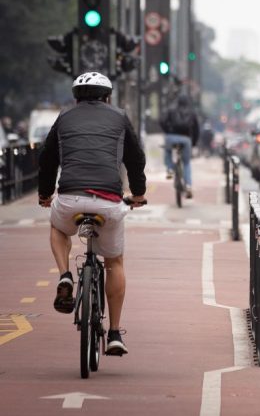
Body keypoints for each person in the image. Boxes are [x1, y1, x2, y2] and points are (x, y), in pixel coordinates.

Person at [37, 72, 146, 356]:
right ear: (108, 97)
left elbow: (47, 159)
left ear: (75, 98)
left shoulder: (64, 117)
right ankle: (114, 333)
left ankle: (65, 275)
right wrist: (138, 194)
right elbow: (135, 159)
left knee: (58, 228)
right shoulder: (120, 117)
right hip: (109, 201)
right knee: (114, 261)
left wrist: (45, 195)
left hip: (70, 197)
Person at [160, 94, 199, 198]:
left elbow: (162, 121)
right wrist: (194, 143)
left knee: (168, 151)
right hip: (186, 139)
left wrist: (167, 131)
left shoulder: (171, 109)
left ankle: (170, 169)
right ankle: (188, 185)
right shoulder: (192, 112)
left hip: (171, 137)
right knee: (186, 163)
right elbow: (196, 130)